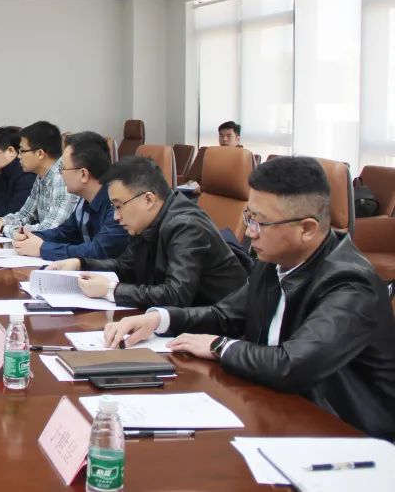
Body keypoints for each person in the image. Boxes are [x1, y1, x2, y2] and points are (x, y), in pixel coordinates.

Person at [104, 157, 395, 440]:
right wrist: (159, 319)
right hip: (276, 407)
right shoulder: (274, 262)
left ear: (306, 228)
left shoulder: (350, 283)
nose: (250, 233)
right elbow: (225, 315)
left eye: (260, 223)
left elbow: (291, 365)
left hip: (348, 434)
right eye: (249, 218)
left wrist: (219, 346)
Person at [48, 155, 247, 308]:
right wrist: (81, 263)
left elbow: (176, 295)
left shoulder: (187, 226)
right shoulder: (147, 222)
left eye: (119, 206)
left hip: (217, 331)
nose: (116, 216)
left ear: (149, 199)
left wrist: (111, 290)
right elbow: (125, 266)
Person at [13, 131, 129, 261]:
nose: (60, 174)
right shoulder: (84, 201)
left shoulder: (117, 205)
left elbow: (98, 251)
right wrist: (31, 237)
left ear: (83, 174)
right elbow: (64, 233)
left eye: (63, 168)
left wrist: (42, 248)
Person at [0, 121, 77, 237]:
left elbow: (51, 229)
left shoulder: (62, 177)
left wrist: (3, 229)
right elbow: (26, 214)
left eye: (22, 151)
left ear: (40, 153)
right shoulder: (40, 176)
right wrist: (1, 221)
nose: (18, 156)